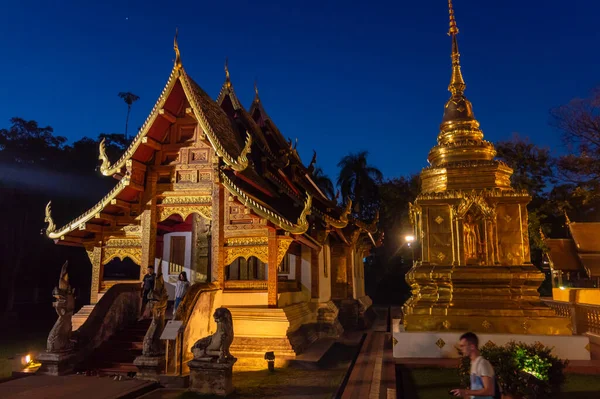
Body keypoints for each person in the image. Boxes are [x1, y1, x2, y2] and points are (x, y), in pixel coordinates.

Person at [451, 332, 497, 398]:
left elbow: (489, 391)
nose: (461, 349)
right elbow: (476, 390)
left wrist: (465, 392)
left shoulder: (482, 363)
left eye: (463, 346)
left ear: (472, 346)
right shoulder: (473, 363)